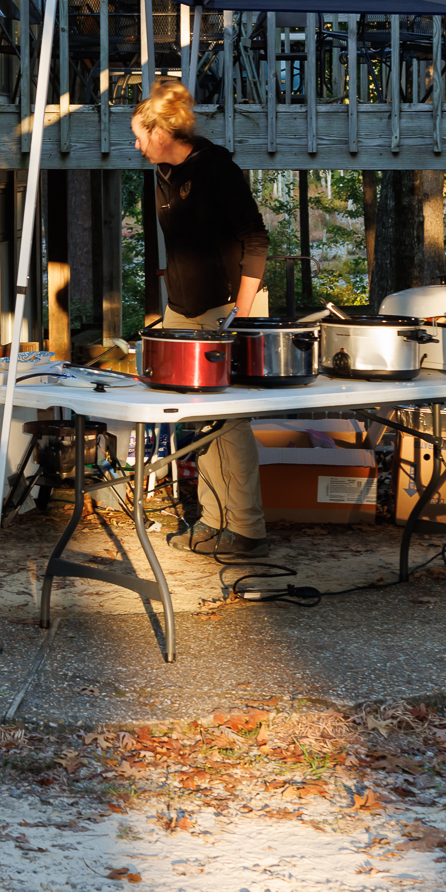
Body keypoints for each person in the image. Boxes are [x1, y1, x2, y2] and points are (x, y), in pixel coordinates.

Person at [131, 80, 272, 556]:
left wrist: (241, 314)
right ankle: (213, 521)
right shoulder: (163, 174)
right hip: (182, 311)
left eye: (139, 137)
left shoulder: (216, 168)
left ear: (160, 133)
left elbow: (256, 239)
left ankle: (247, 530)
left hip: (226, 308)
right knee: (199, 422)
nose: (136, 146)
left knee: (230, 422)